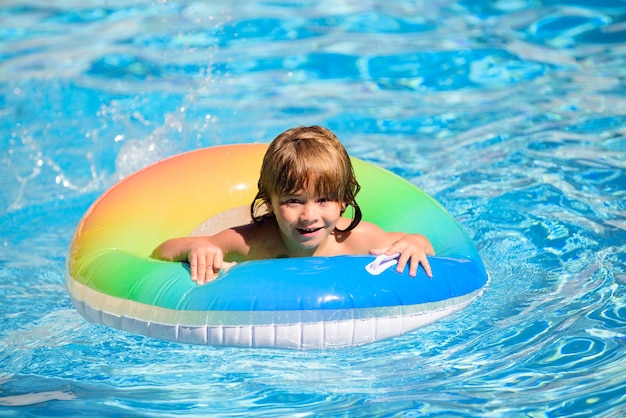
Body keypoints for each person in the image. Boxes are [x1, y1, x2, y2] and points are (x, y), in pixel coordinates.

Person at [151, 125, 435, 284]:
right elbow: (163, 250)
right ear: (270, 203)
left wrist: (415, 243)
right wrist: (195, 248)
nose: (308, 215)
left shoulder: (354, 240)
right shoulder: (253, 243)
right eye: (293, 201)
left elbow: (421, 243)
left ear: (344, 201)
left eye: (323, 200)